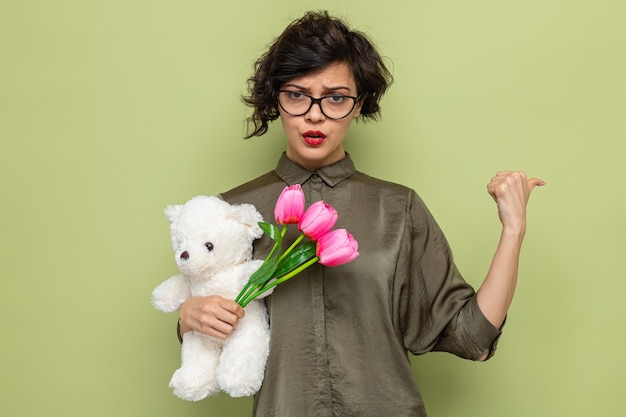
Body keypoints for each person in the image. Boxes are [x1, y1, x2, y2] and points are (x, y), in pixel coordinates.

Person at [177, 10, 544, 417]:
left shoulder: (398, 209)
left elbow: (472, 338)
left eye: (336, 97)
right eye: (297, 94)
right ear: (275, 99)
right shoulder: (231, 214)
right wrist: (188, 318)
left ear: (358, 105)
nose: (314, 114)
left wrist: (513, 230)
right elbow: (213, 328)